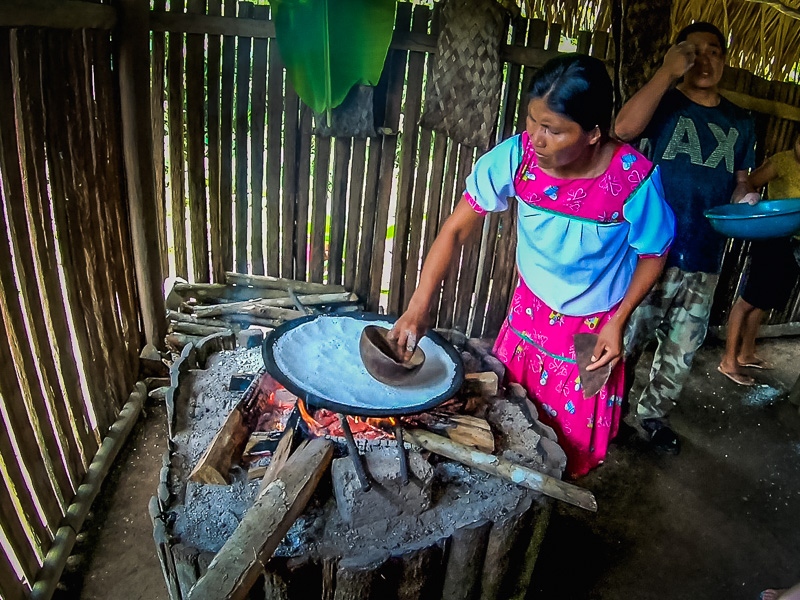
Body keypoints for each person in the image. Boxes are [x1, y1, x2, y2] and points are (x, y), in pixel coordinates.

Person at [389, 54, 676, 479]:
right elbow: (454, 231)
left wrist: (618, 321)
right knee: (508, 417)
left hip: (592, 326)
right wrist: (418, 305)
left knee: (570, 442)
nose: (537, 139)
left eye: (554, 130)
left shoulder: (632, 181)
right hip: (528, 312)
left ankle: (546, 510)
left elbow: (654, 253)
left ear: (594, 133)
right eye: (532, 121)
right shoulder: (517, 159)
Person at [614, 22, 757, 452]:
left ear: (725, 60)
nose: (704, 59)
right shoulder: (665, 103)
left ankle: (653, 418)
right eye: (693, 51)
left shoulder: (741, 121)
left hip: (705, 256)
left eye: (713, 50)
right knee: (626, 337)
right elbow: (622, 130)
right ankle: (608, 414)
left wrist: (746, 198)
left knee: (681, 349)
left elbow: (741, 180)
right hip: (648, 252)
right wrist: (665, 72)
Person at [719, 134, 800, 385]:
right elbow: (749, 184)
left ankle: (746, 353)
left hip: (794, 243)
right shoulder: (783, 162)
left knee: (762, 301)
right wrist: (752, 199)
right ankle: (728, 362)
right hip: (772, 239)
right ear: (795, 139)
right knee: (748, 300)